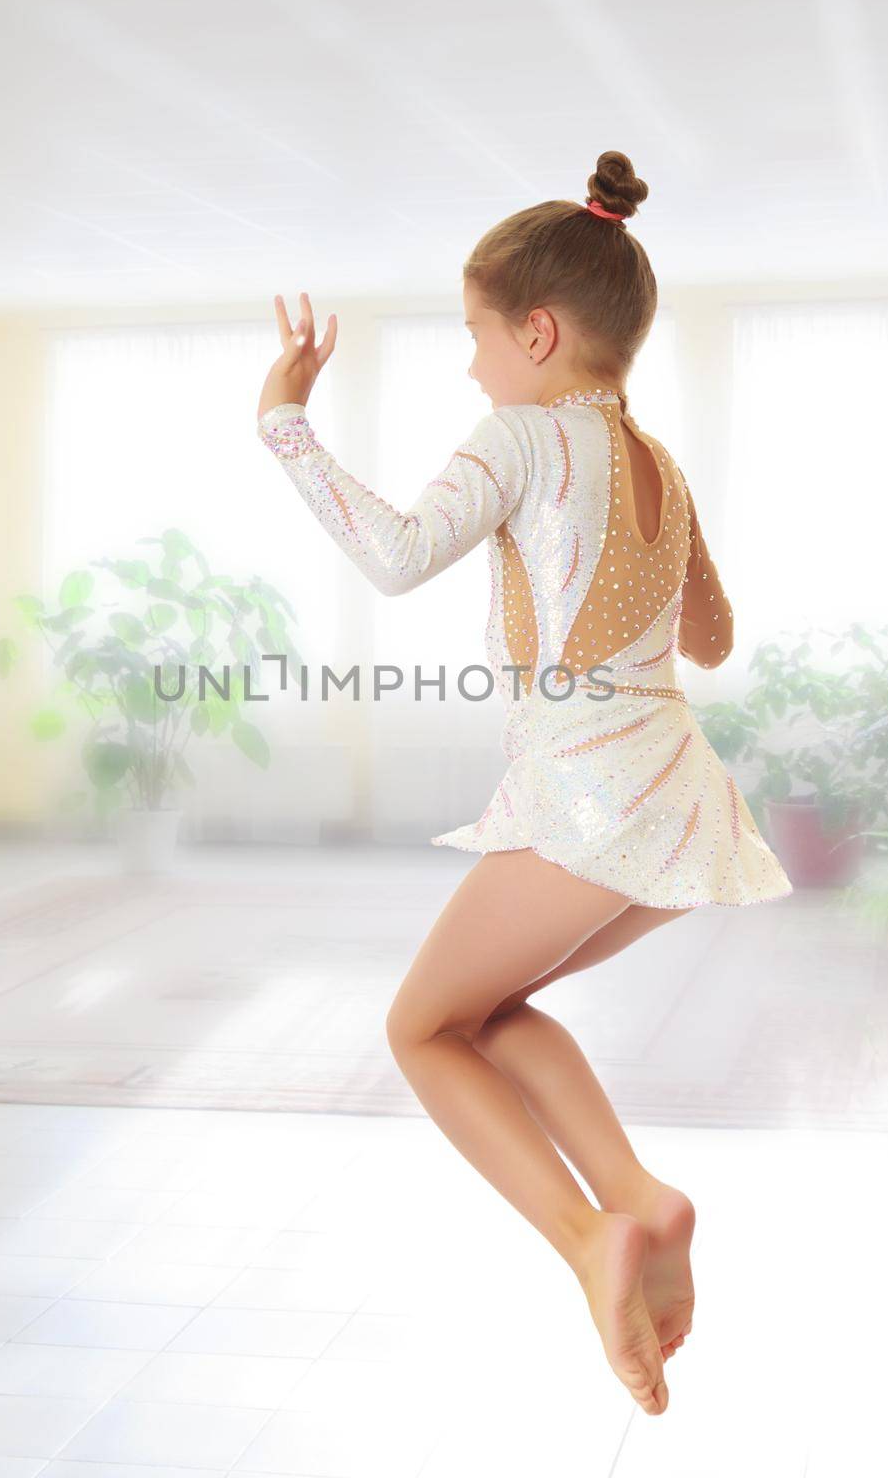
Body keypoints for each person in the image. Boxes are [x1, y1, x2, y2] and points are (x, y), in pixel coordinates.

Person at [255, 150, 792, 1418]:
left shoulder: (522, 434)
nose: (469, 364)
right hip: (674, 794)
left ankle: (588, 1233)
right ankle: (640, 1198)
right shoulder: (654, 460)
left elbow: (390, 555)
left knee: (416, 1027)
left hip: (586, 796)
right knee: (483, 1016)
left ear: (537, 331)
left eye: (474, 335)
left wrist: (284, 424)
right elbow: (708, 639)